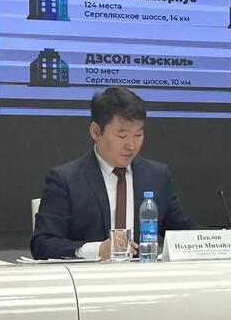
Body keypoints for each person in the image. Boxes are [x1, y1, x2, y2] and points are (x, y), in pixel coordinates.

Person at [31, 87, 199, 260]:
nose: (131, 145)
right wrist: (97, 250)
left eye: (138, 134)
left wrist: (215, 242)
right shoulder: (66, 180)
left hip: (144, 275)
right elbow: (42, 244)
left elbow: (186, 233)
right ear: (96, 131)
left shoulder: (157, 176)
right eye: (122, 136)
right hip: (87, 275)